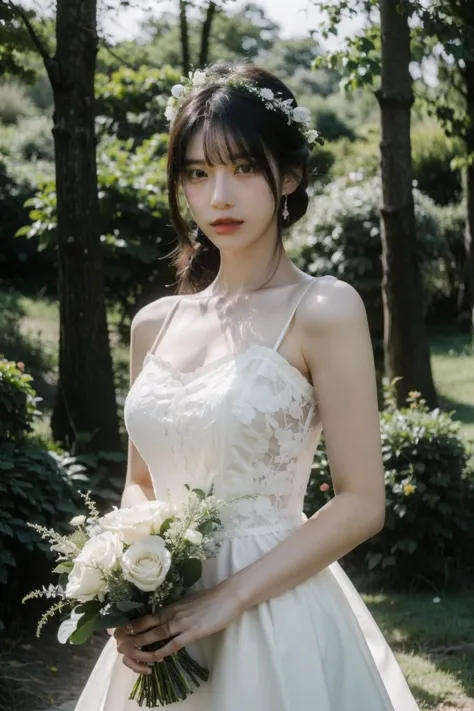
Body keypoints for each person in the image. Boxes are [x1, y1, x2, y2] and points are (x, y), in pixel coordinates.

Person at [74, 61, 420, 711]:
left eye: (242, 167)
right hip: (162, 628)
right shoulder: (153, 324)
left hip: (271, 617)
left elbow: (362, 500)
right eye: (198, 173)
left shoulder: (324, 309)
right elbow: (143, 482)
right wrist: (127, 577)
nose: (219, 197)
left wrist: (223, 599)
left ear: (288, 175)